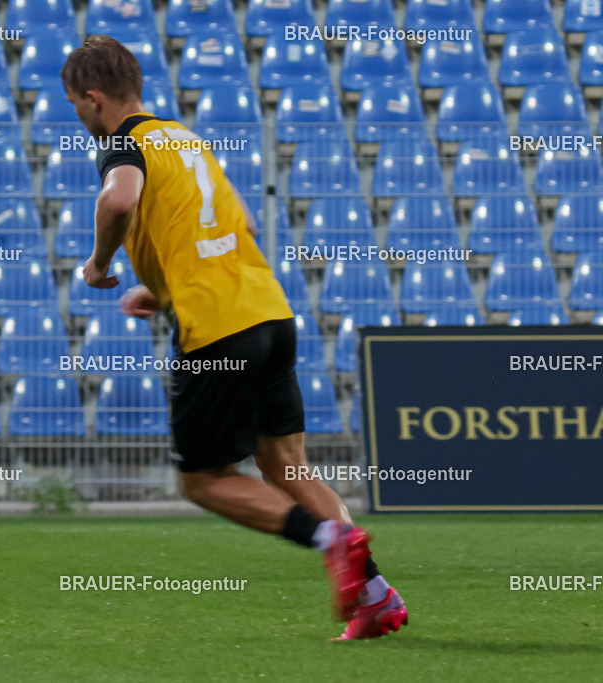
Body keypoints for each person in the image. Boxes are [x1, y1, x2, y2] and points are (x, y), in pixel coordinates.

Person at [61, 35, 407, 640]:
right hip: (269, 312)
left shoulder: (125, 144)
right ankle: (374, 595)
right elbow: (240, 221)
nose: (78, 116)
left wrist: (99, 263)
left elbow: (118, 200)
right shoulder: (184, 137)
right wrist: (162, 287)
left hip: (219, 330)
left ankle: (330, 538)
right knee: (286, 465)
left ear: (92, 99)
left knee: (205, 478)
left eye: (73, 105)